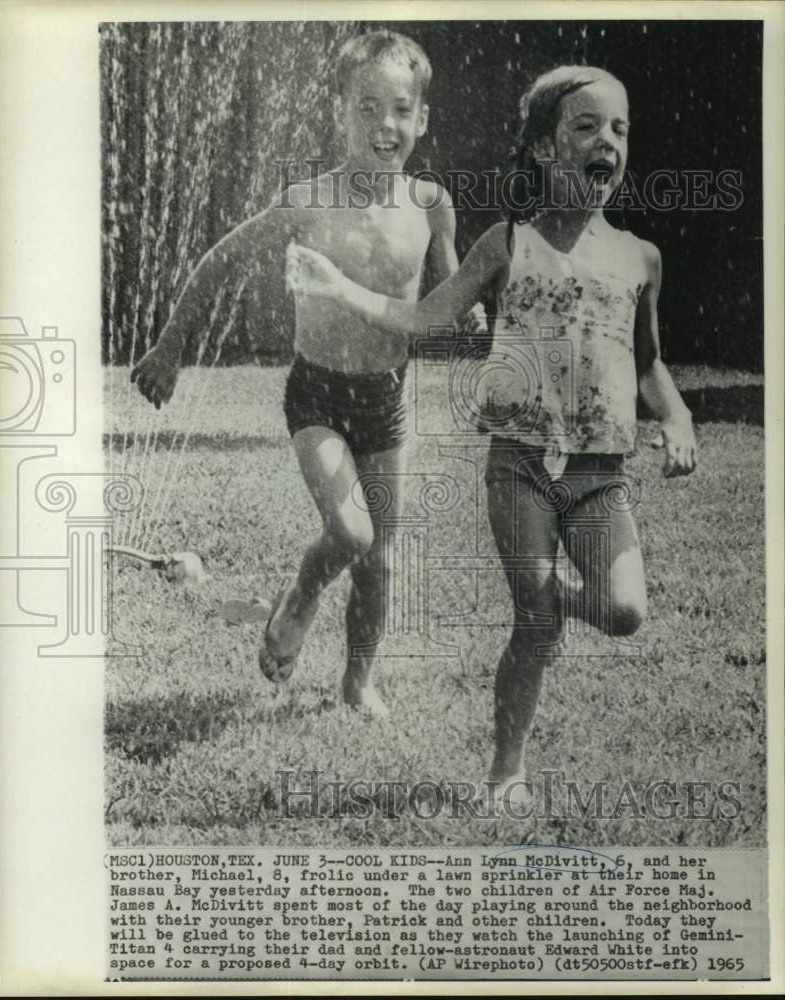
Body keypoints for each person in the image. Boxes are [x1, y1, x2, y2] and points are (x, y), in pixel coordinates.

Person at [286, 65, 698, 804]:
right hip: (519, 468)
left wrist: (676, 416)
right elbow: (421, 317)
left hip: (599, 476)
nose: (606, 140)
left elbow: (648, 363)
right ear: (543, 150)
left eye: (618, 129)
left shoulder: (640, 258)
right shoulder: (506, 244)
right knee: (533, 624)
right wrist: (336, 285)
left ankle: (559, 600)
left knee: (626, 612)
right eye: (584, 126)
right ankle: (505, 771)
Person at [132, 30, 481, 715]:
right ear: (337, 111)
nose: (385, 125)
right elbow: (219, 260)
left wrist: (465, 312)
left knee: (380, 559)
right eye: (366, 107)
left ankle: (356, 683)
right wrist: (170, 347)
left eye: (400, 109)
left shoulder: (430, 204)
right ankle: (302, 594)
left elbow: (444, 280)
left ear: (422, 118)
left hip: (386, 399)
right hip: (316, 394)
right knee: (352, 535)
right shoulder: (308, 200)